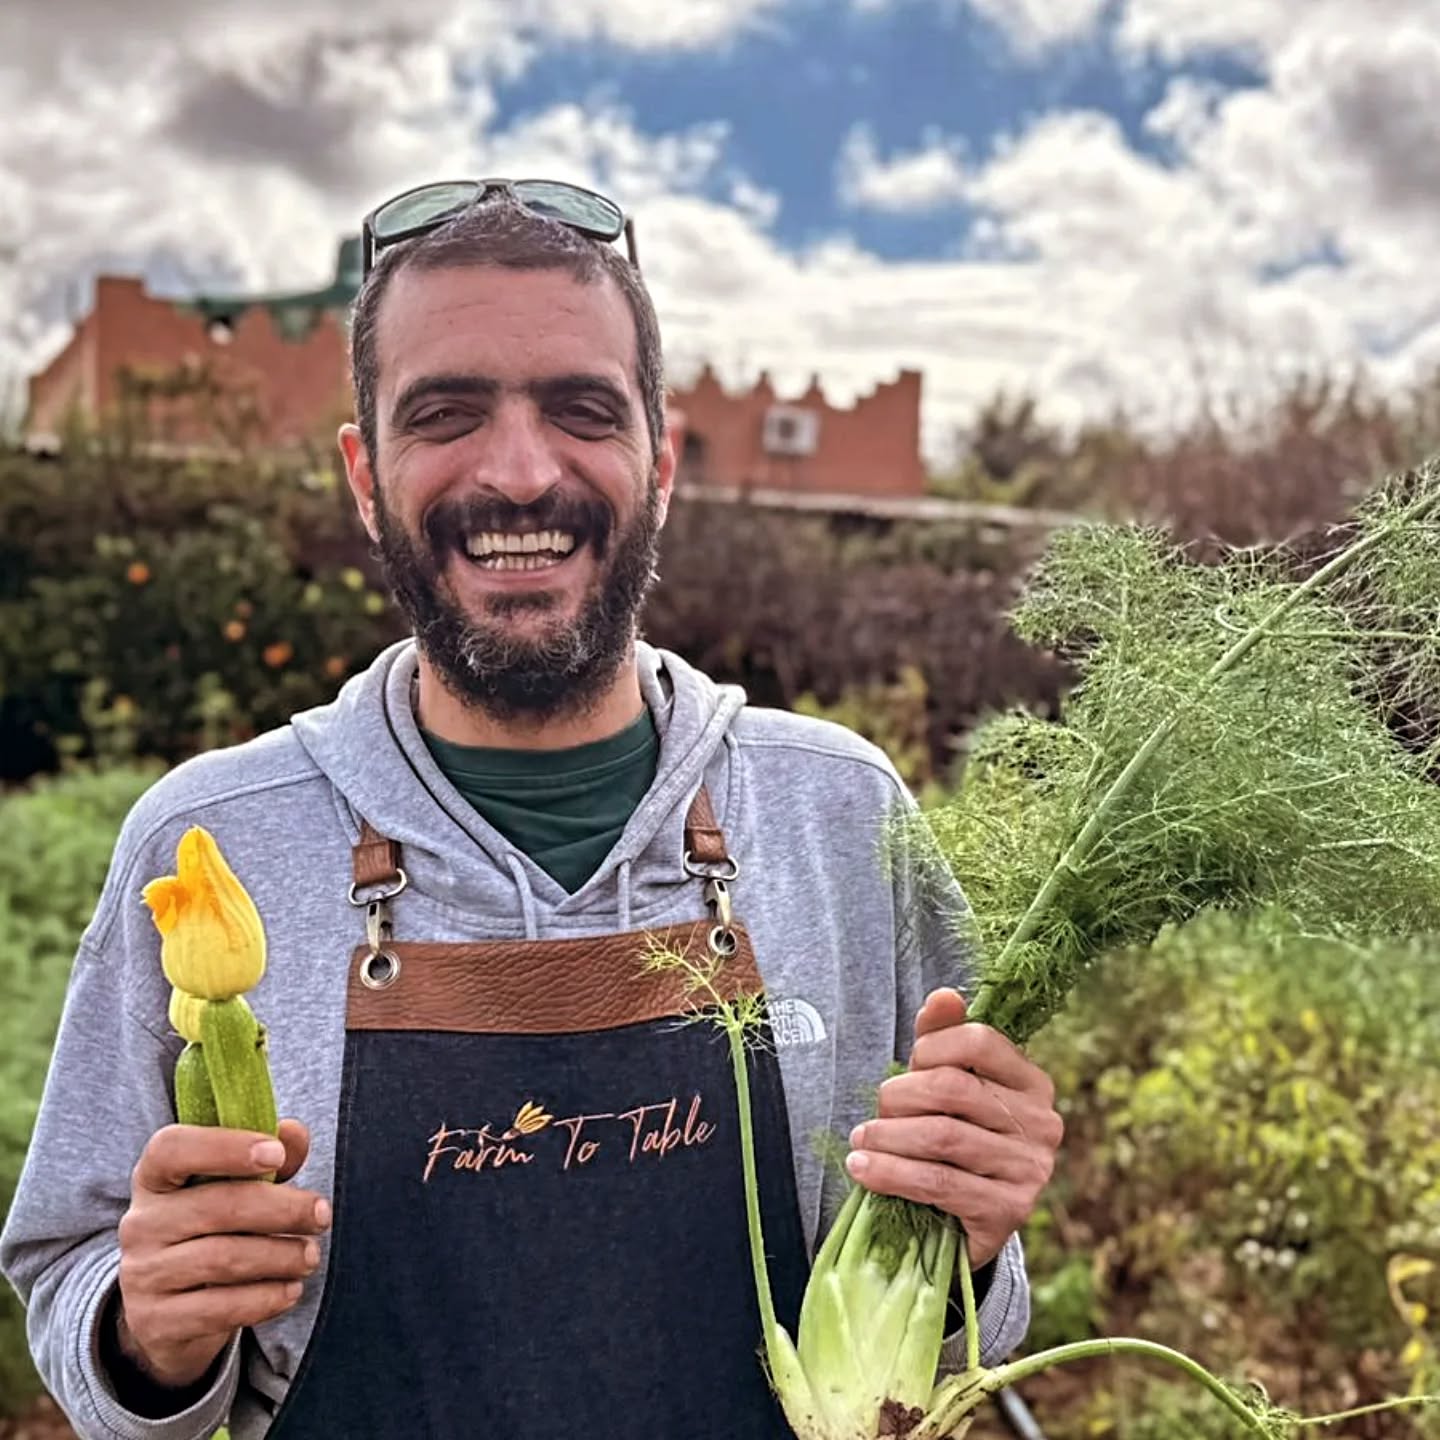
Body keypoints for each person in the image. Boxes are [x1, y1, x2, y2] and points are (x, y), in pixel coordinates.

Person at [0, 178, 1063, 1439]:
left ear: (661, 465)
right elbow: (67, 1266)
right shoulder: (215, 843)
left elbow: (955, 1302)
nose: (518, 472)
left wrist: (978, 1240)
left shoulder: (841, 815)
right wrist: (145, 1336)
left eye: (582, 411)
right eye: (445, 414)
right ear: (366, 475)